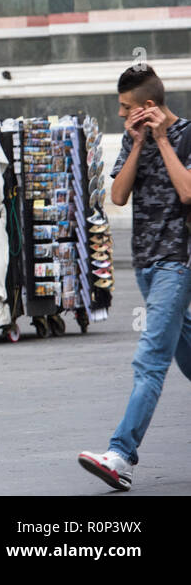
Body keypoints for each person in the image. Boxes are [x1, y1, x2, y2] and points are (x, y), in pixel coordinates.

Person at [78, 64, 191, 491]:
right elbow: (119, 195)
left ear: (147, 106)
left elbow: (188, 191)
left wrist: (162, 139)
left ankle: (121, 455)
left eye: (126, 110)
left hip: (177, 263)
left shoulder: (188, 135)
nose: (122, 117)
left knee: (151, 361)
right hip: (144, 264)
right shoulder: (132, 137)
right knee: (184, 351)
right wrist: (141, 140)